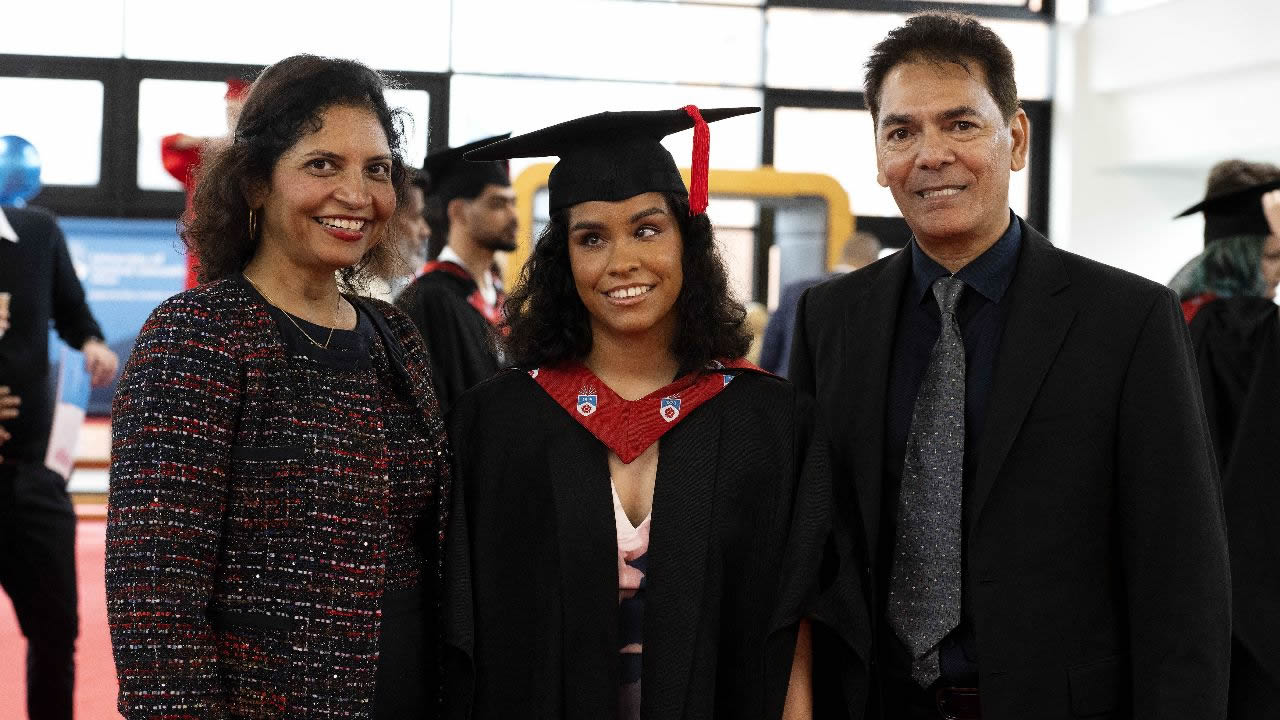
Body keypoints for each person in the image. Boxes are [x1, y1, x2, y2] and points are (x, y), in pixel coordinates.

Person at [789, 13, 1230, 720]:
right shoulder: (831, 318)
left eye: (961, 124)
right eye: (901, 132)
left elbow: (1182, 573)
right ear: (878, 156)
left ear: (1016, 138)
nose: (931, 155)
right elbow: (810, 544)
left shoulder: (1128, 321)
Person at [443, 106, 867, 720]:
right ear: (564, 258)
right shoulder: (496, 425)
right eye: (591, 238)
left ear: (686, 240)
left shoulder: (771, 424)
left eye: (647, 229)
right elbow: (466, 640)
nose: (622, 262)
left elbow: (793, 633)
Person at [106, 55, 451, 719]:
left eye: (377, 169)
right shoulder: (199, 335)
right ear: (256, 182)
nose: (357, 194)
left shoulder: (395, 337)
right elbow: (155, 604)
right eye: (323, 165)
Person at [0, 202, 119, 720]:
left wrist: (92, 343)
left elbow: (72, 312)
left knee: (56, 631)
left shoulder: (37, 231)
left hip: (32, 474)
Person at [1173, 172, 1280, 719]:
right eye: (1272, 256)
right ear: (1237, 254)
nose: (1277, 274)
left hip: (1179, 574)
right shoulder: (1249, 332)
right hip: (1244, 578)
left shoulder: (1170, 316)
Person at [395, 135, 517, 410]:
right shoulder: (427, 300)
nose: (513, 216)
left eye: (513, 203)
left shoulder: (501, 300)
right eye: (498, 204)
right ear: (459, 212)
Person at [162, 77, 250, 289]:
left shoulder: (256, 155)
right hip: (207, 239)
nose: (232, 116)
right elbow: (170, 144)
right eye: (229, 110)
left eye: (237, 110)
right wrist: (209, 142)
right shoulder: (206, 153)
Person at [759, 230, 881, 377]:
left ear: (842, 255)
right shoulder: (872, 298)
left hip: (788, 384)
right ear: (873, 261)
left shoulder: (795, 290)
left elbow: (770, 350)